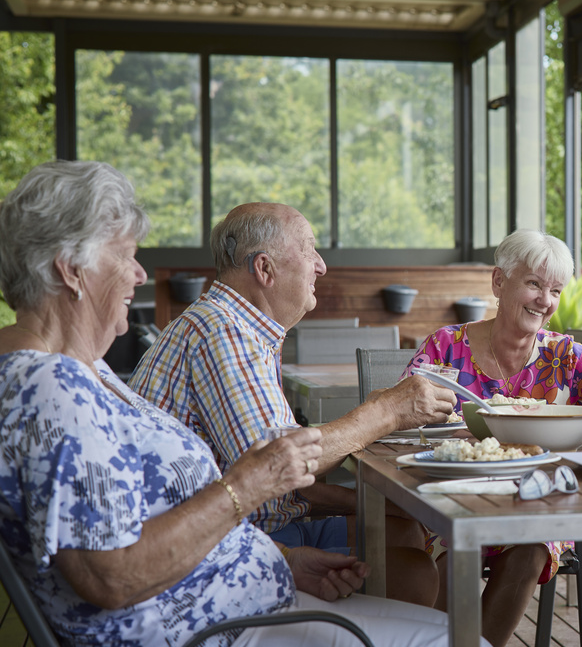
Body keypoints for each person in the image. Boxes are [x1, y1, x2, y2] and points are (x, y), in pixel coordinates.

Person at [0, 160, 536, 647]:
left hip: (231, 615)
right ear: (71, 268)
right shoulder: (51, 388)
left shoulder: (78, 371)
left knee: (458, 640)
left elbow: (142, 520)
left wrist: (279, 557)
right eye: (127, 256)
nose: (140, 276)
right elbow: (108, 575)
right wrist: (246, 486)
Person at [130, 202, 450, 605]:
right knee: (415, 574)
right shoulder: (223, 333)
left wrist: (380, 501)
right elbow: (279, 467)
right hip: (219, 549)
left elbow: (273, 481)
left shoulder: (238, 328)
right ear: (265, 269)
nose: (321, 266)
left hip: (252, 522)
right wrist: (385, 412)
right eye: (309, 249)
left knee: (401, 527)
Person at [405, 228, 582, 647]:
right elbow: (403, 408)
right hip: (456, 493)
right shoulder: (446, 345)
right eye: (533, 284)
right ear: (498, 282)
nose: (544, 301)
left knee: (532, 546)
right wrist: (446, 421)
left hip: (539, 498)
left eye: (555, 290)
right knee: (458, 544)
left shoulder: (564, 354)